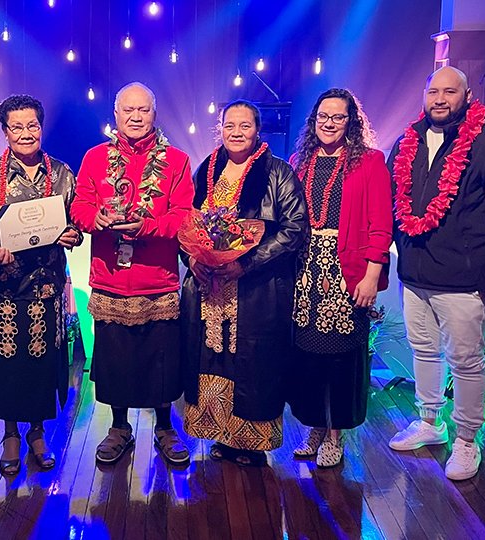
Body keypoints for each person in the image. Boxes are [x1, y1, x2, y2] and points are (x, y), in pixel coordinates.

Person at [386, 67, 485, 481]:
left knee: (466, 361)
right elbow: (396, 204)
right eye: (433, 91)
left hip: (465, 282)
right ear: (424, 96)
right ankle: (430, 421)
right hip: (416, 275)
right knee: (423, 351)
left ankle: (467, 440)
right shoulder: (406, 142)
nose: (440, 99)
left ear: (467, 96)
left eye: (450, 91)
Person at [70, 82, 195, 465]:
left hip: (157, 279)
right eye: (128, 110)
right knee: (116, 362)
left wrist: (147, 226)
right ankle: (119, 428)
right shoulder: (94, 157)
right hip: (110, 278)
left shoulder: (176, 160)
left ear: (154, 114)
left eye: (143, 110)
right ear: (116, 115)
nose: (136, 117)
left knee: (160, 360)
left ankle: (164, 428)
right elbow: (79, 207)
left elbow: (184, 216)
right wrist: (98, 218)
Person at [181, 100, 307, 466]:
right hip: (209, 287)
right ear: (219, 128)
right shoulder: (207, 170)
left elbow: (295, 228)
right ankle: (220, 433)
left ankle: (251, 442)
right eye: (229, 125)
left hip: (256, 288)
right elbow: (186, 222)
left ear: (258, 130)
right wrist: (192, 258)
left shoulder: (278, 173)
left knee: (252, 362)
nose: (236, 133)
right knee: (213, 358)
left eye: (245, 126)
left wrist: (247, 262)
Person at [0, 94, 82, 475]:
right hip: (3, 287)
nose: (26, 133)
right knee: (5, 365)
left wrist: (73, 235)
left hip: (46, 288)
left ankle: (37, 431)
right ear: (5, 132)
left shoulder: (62, 173)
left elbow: (77, 224)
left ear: (41, 127)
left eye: (32, 125)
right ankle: (10, 433)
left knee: (42, 364)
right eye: (17, 127)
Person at [287, 89, 392, 468]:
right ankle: (314, 426)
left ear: (352, 122)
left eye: (338, 117)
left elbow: (382, 225)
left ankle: (336, 434)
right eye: (323, 116)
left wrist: (371, 274)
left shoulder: (370, 162)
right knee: (308, 353)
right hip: (305, 269)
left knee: (341, 356)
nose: (329, 123)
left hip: (347, 270)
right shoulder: (300, 161)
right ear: (314, 121)